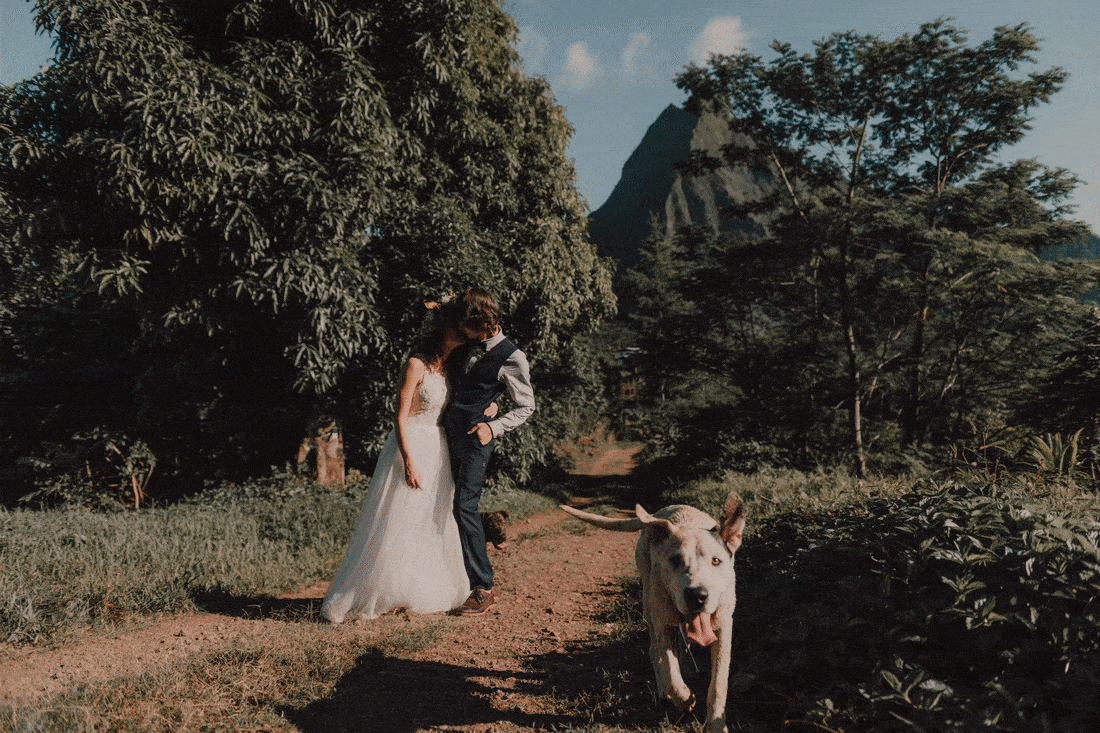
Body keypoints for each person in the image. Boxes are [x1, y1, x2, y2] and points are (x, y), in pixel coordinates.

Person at [321, 303, 484, 622]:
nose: (463, 335)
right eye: (457, 329)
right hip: (411, 443)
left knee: (430, 516)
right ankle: (380, 590)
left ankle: (418, 587)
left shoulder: (446, 367)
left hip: (437, 447)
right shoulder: (415, 364)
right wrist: (408, 460)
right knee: (401, 514)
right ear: (443, 330)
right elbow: (399, 415)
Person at [444, 287, 535, 616]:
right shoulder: (466, 344)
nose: (460, 331)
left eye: (464, 325)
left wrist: (492, 427)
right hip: (446, 436)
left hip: (475, 439)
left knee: (464, 504)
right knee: (448, 506)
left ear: (482, 322)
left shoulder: (512, 356)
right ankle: (452, 577)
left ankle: (484, 587)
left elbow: (527, 406)